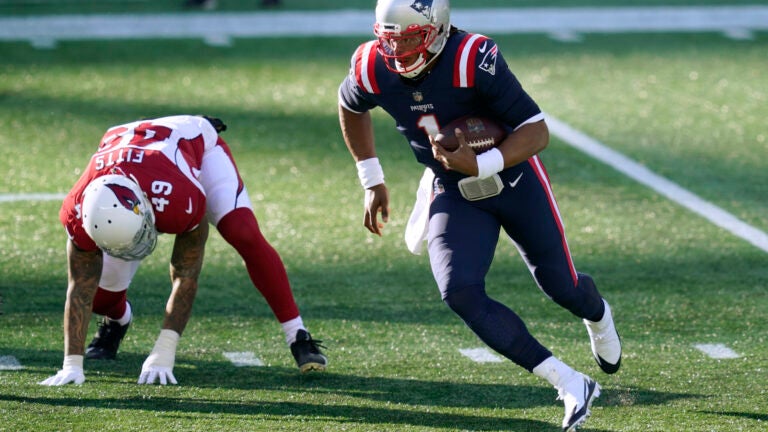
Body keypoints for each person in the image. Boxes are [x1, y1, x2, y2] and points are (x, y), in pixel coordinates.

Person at [337, 1, 621, 430]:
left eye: (409, 40)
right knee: (460, 292)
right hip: (451, 188)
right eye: (389, 39)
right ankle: (569, 383)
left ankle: (597, 313)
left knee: (560, 286)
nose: (397, 53)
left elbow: (536, 129)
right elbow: (350, 105)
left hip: (514, 179)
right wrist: (371, 178)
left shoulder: (472, 57)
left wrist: (483, 164)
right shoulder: (370, 65)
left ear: (436, 30)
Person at [40, 115, 326, 386]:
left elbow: (185, 275)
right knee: (100, 299)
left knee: (242, 231)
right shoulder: (77, 210)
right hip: (135, 161)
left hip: (193, 147)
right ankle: (118, 318)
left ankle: (297, 334)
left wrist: (165, 350)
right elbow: (79, 286)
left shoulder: (178, 197)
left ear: (146, 207)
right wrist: (71, 364)